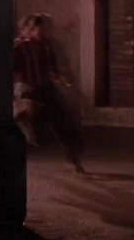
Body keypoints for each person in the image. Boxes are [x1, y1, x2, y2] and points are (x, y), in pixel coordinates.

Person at [13, 13, 85, 174]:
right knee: (37, 136)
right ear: (29, 29)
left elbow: (53, 70)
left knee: (64, 125)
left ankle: (74, 160)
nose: (42, 31)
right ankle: (22, 122)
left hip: (47, 90)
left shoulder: (47, 45)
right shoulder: (19, 48)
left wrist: (65, 82)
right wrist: (19, 93)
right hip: (29, 92)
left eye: (44, 28)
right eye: (38, 28)